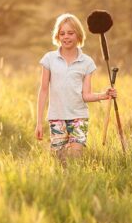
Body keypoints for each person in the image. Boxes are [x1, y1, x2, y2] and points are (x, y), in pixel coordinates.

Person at [34, 13, 117, 160]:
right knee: (60, 159)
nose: (66, 37)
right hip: (56, 117)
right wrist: (39, 122)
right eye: (62, 33)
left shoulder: (86, 62)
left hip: (79, 117)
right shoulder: (49, 59)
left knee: (75, 157)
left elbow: (86, 95)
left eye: (70, 33)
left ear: (78, 35)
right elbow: (43, 91)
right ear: (57, 36)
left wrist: (105, 95)